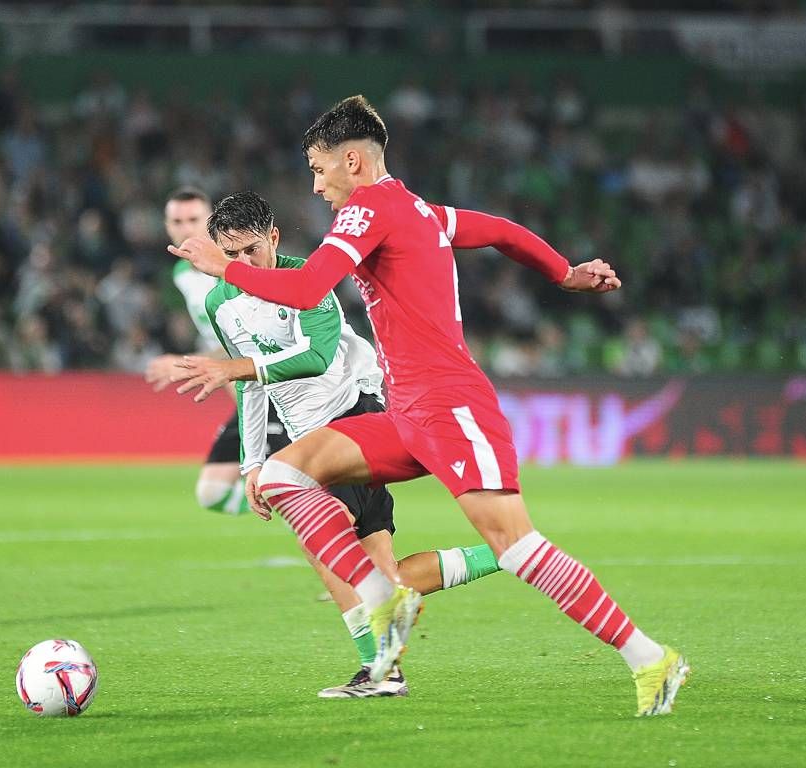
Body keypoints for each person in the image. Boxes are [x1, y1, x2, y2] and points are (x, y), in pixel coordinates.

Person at [170, 96, 690, 717]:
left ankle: (650, 659)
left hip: (450, 405)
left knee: (518, 548)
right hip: (406, 413)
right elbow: (498, 231)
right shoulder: (416, 210)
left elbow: (309, 289)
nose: (316, 185)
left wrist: (225, 267)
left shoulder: (369, 208)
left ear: (353, 161)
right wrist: (562, 272)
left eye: (318, 169)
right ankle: (382, 597)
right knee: (282, 473)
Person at [172, 190, 502, 698]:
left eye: (252, 251)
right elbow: (248, 386)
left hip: (354, 419)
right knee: (386, 576)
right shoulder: (221, 302)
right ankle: (509, 551)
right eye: (230, 254)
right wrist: (252, 462)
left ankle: (379, 671)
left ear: (274, 239)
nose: (241, 263)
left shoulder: (310, 280)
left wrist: (236, 368)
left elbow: (318, 357)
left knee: (322, 546)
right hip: (308, 437)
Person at [145, 187, 290, 515]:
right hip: (249, 391)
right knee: (213, 492)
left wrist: (184, 365)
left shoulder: (237, 269)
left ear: (212, 220)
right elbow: (224, 346)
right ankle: (292, 512)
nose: (185, 228)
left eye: (194, 219)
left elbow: (258, 345)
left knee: (299, 480)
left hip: (283, 386)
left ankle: (316, 520)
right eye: (177, 221)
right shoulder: (183, 274)